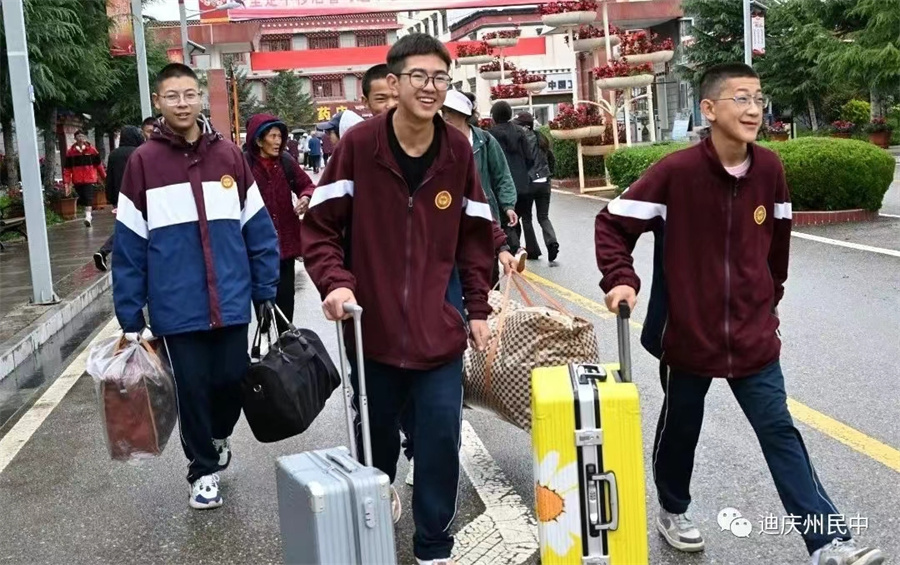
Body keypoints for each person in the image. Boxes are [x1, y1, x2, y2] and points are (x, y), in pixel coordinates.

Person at [594, 63, 884, 565]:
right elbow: (612, 223)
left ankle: (829, 542)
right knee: (682, 425)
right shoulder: (676, 173)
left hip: (752, 335)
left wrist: (770, 299)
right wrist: (621, 278)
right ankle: (673, 509)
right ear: (709, 109)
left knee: (779, 429)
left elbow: (778, 243)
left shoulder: (769, 169)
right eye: (741, 99)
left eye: (758, 99)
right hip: (687, 334)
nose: (754, 110)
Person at [302, 34, 494, 565]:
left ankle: (433, 546)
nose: (431, 88)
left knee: (439, 440)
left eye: (440, 78)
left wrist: (477, 308)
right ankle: (371, 528)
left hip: (439, 331)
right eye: (419, 77)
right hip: (373, 331)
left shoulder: (457, 150)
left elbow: (475, 237)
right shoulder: (359, 147)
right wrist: (336, 282)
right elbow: (320, 227)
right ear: (394, 81)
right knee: (376, 444)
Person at [112, 63, 280, 511]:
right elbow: (129, 243)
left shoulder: (229, 157)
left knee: (231, 380)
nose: (182, 103)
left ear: (200, 97)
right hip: (176, 304)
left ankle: (219, 436)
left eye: (189, 94)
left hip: (231, 298)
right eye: (172, 96)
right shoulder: (143, 163)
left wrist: (265, 285)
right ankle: (202, 469)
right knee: (191, 389)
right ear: (159, 102)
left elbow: (257, 226)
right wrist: (130, 312)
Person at [245, 113, 316, 334]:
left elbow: (307, 185)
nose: (278, 141)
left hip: (284, 248)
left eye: (279, 136)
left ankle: (285, 345)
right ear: (259, 140)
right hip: (256, 250)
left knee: (286, 307)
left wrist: (305, 197)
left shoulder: (286, 162)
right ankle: (267, 342)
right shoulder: (244, 165)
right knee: (263, 310)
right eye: (272, 136)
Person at [93, 126, 143, 271]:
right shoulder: (139, 152)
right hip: (136, 196)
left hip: (119, 197)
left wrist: (110, 198)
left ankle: (105, 252)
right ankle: (105, 251)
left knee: (126, 226)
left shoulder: (114, 154)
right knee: (130, 228)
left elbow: (110, 178)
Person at [514, 112, 559, 262]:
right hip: (544, 182)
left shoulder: (521, 140)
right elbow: (551, 158)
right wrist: (549, 173)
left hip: (529, 183)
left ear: (524, 127)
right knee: (543, 217)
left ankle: (532, 250)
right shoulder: (541, 137)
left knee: (526, 218)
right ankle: (552, 242)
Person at [488, 101, 532, 252]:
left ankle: (515, 249)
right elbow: (530, 158)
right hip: (523, 185)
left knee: (505, 221)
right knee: (515, 220)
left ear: (493, 117)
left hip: (502, 186)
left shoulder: (490, 135)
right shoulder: (520, 132)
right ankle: (517, 249)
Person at [63, 130, 106, 228]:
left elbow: (99, 165)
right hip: (77, 180)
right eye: (78, 136)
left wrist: (104, 177)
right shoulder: (71, 152)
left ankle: (88, 217)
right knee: (83, 198)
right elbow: (67, 169)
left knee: (88, 198)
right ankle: (87, 214)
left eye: (82, 136)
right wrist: (67, 182)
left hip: (89, 179)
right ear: (75, 138)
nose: (80, 138)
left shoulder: (92, 150)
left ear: (85, 137)